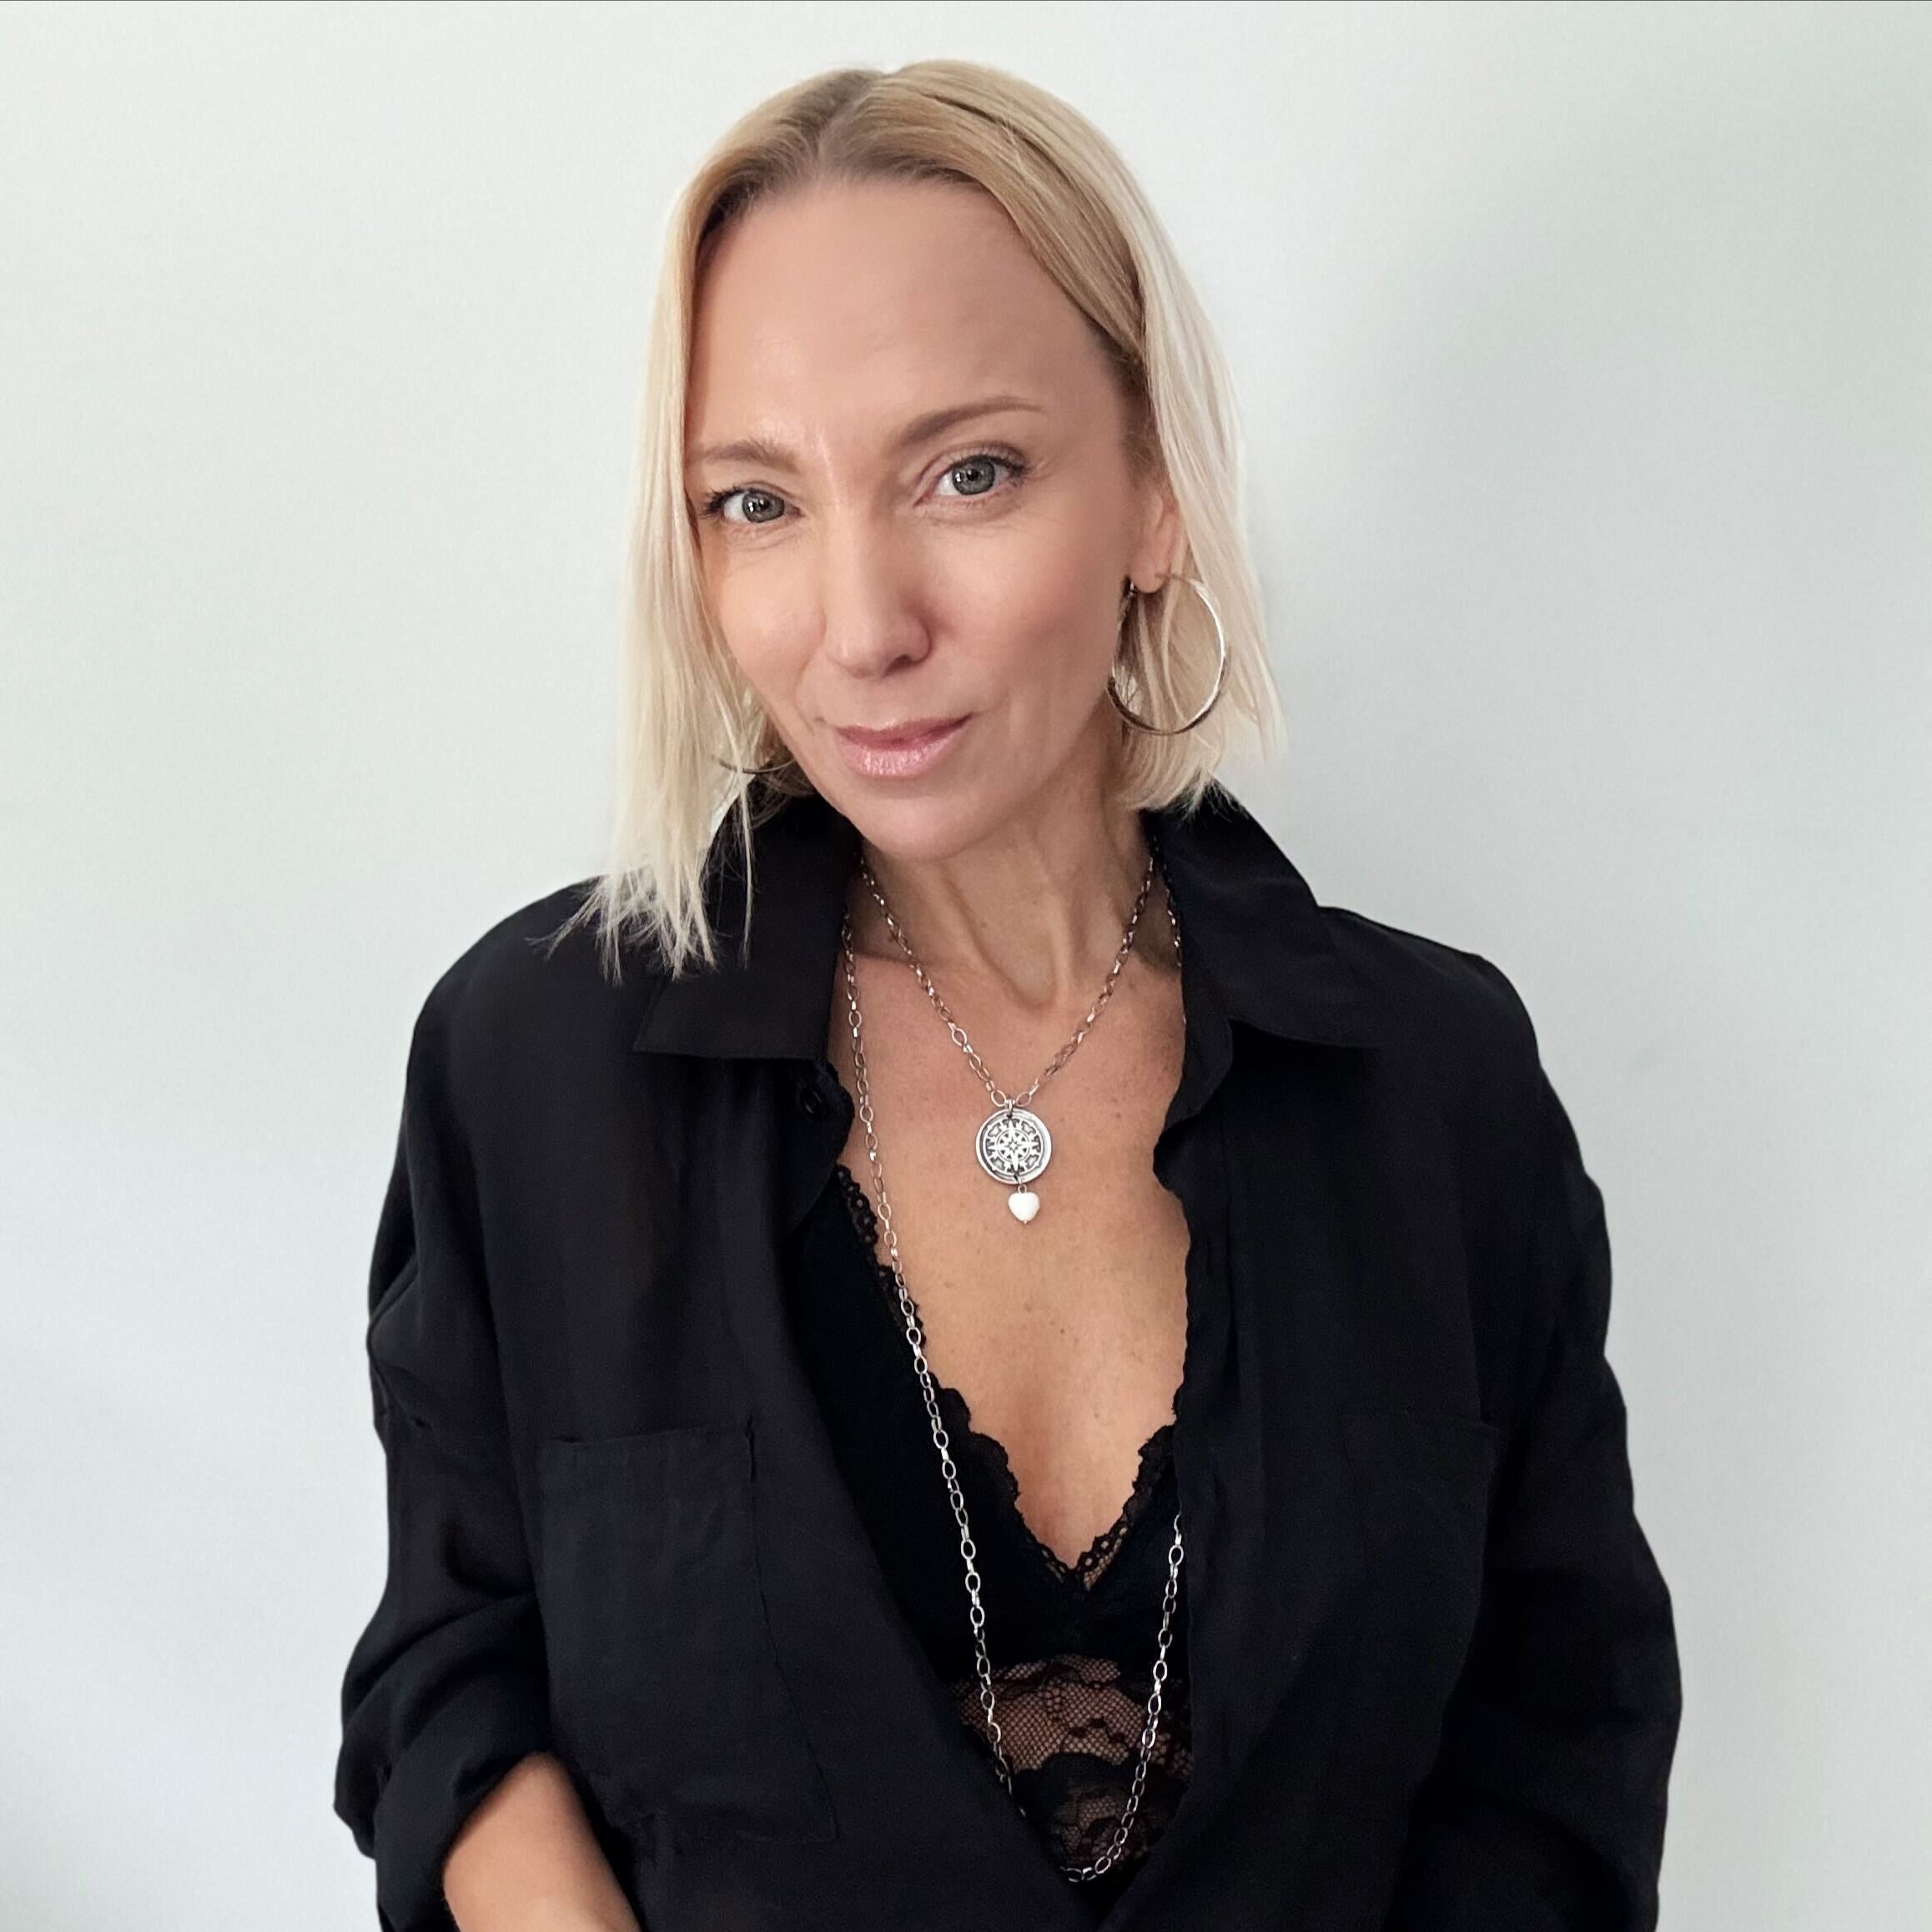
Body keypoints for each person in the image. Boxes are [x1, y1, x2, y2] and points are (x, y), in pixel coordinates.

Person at [332, 58, 1682, 1932]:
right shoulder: (536, 1063)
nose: (862, 620)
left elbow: (1557, 1749)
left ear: (1152, 495)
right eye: (756, 503)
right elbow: (450, 1685)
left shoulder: (1435, 1086)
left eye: (969, 472)